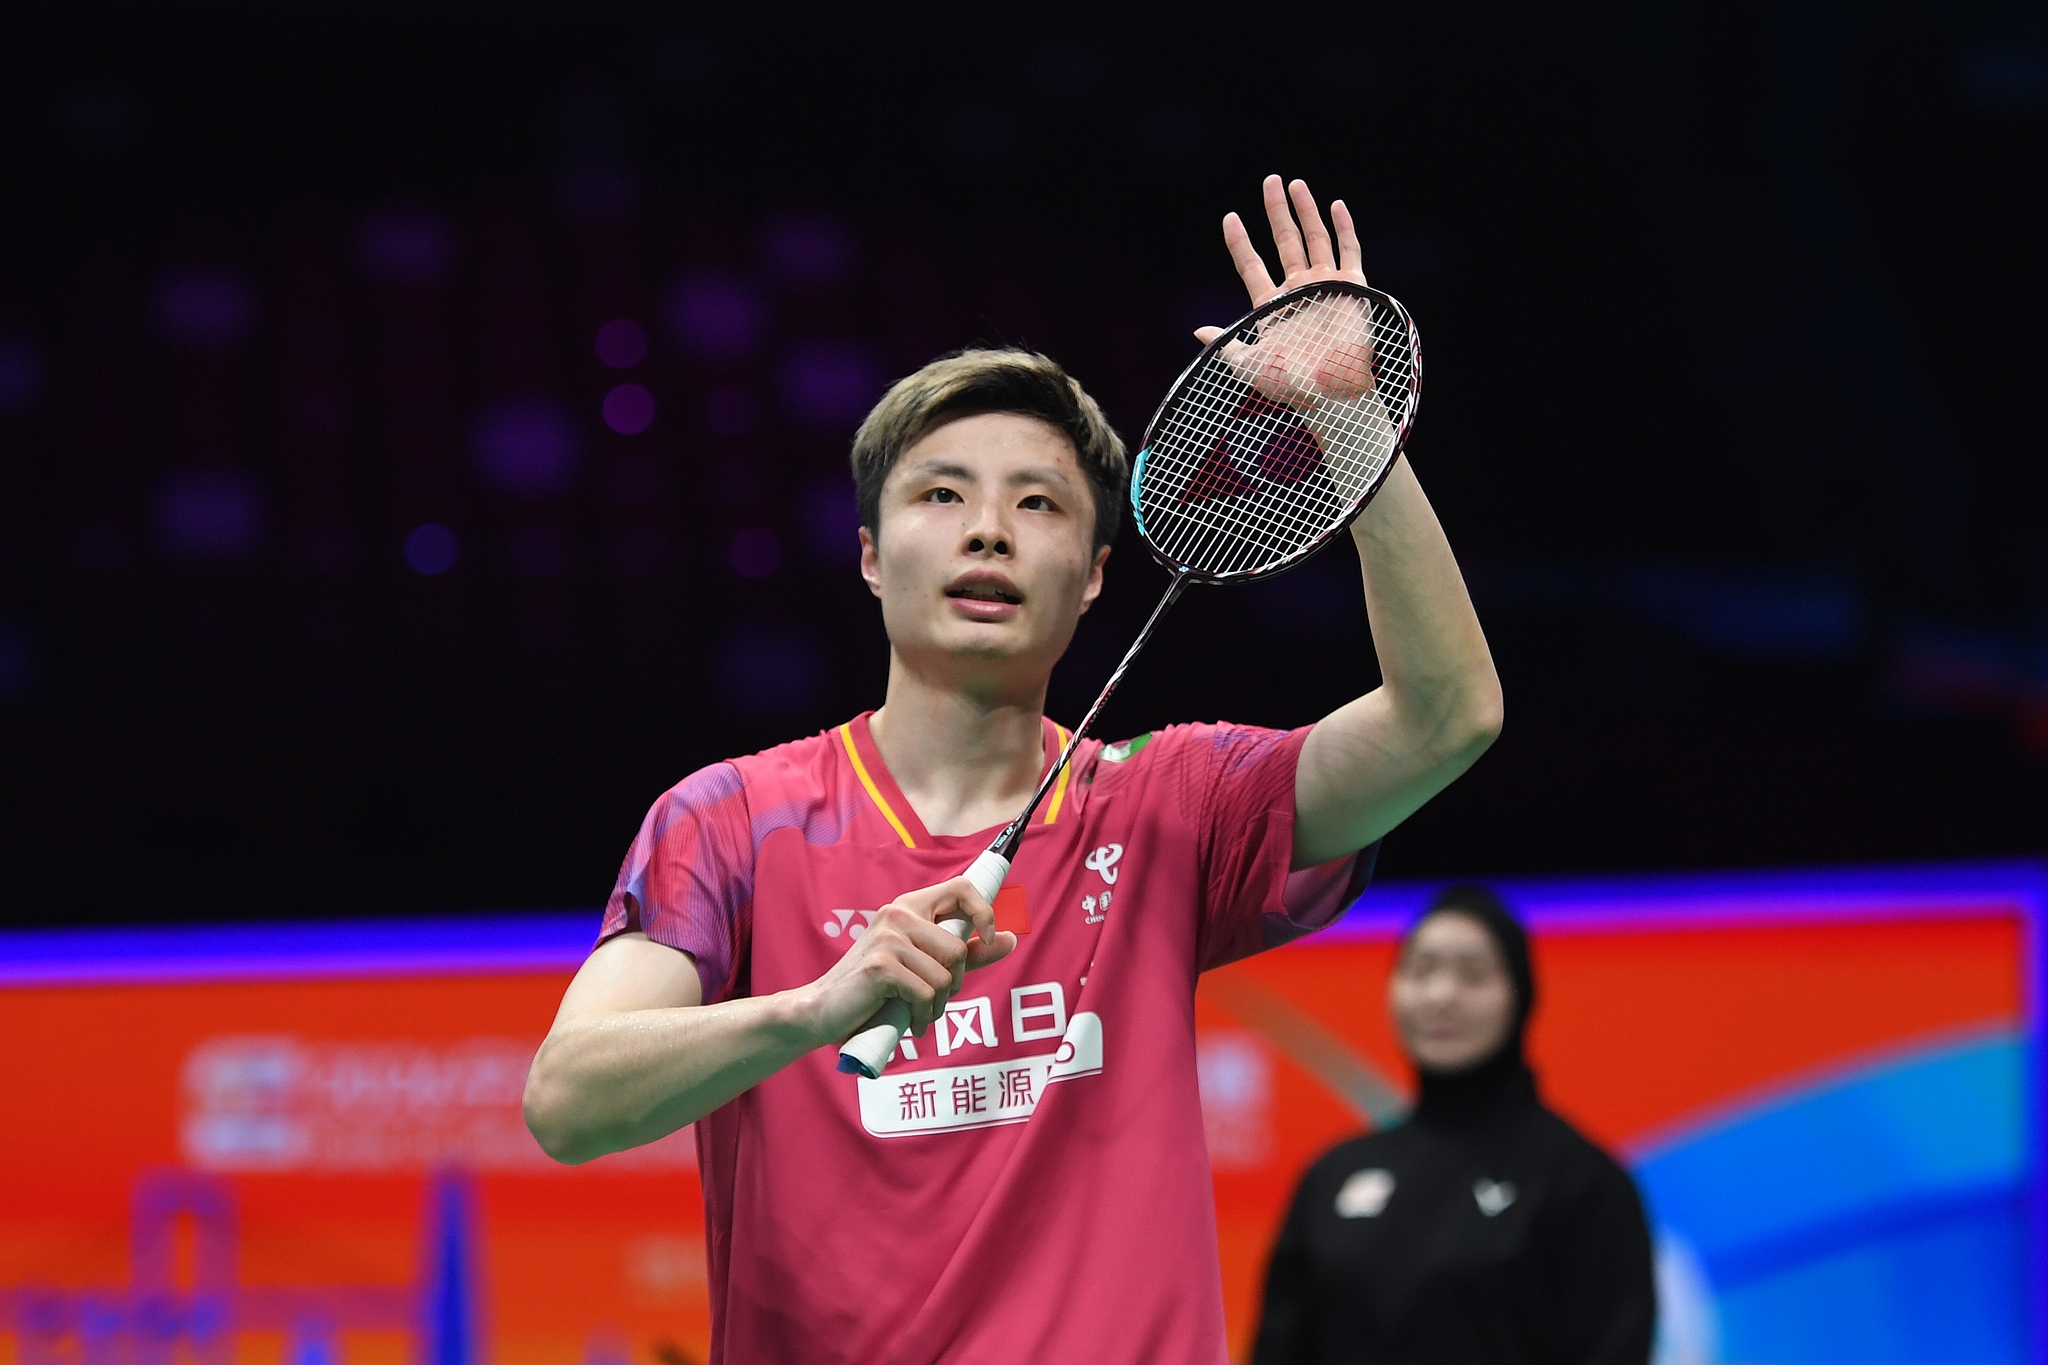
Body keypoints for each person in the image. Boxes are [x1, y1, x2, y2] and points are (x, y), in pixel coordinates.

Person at [521, 176, 1503, 1365]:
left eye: (1035, 505)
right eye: (942, 496)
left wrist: (1350, 425)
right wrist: (820, 1006)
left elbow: (1446, 719)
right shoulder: (732, 817)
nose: (987, 530)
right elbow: (568, 1103)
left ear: (1091, 576)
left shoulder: (1167, 801)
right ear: (875, 559)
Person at [1251, 885, 1656, 1365]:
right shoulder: (1333, 1177)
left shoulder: (1580, 1182)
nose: (1441, 995)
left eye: (1473, 975)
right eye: (1420, 972)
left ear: (1520, 994)